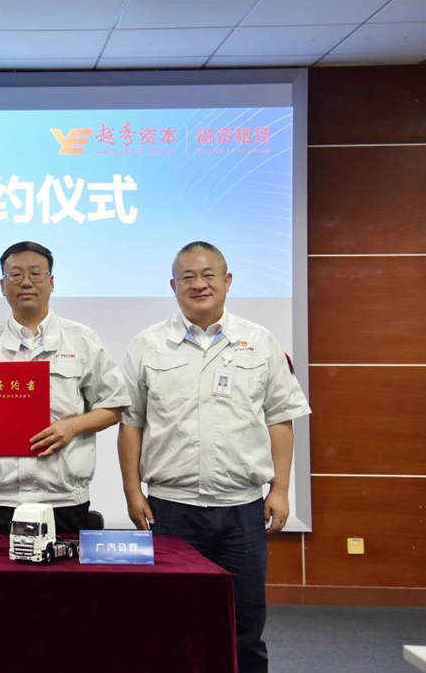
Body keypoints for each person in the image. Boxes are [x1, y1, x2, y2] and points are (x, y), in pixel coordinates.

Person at [118, 241, 310, 673]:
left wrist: (280, 489)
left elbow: (280, 418)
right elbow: (131, 423)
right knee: (171, 623)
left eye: (208, 275)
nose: (198, 284)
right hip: (172, 509)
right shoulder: (148, 345)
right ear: (173, 286)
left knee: (245, 626)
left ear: (227, 281)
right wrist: (132, 491)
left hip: (242, 510)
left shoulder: (260, 342)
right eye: (187, 277)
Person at [0, 241, 128, 533]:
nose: (26, 282)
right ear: (2, 286)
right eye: (15, 275)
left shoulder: (81, 340)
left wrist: (71, 426)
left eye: (36, 274)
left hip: (63, 499)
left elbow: (114, 405)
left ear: (51, 282)